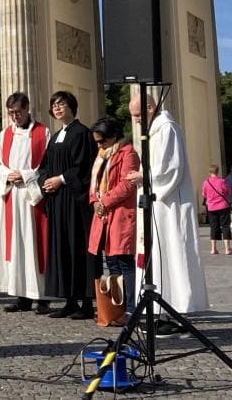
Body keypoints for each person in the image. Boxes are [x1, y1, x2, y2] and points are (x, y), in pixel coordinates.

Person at [126, 94, 208, 332]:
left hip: (169, 206)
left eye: (137, 115)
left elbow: (171, 169)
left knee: (171, 254)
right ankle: (158, 311)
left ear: (151, 107)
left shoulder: (167, 129)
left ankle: (173, 311)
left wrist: (143, 177)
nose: (136, 121)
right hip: (158, 205)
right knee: (158, 257)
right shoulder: (155, 130)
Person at [38, 90, 95, 320]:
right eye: (54, 105)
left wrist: (60, 179)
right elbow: (44, 166)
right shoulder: (54, 138)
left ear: (72, 106)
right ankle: (69, 300)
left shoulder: (82, 133)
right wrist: (46, 182)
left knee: (77, 247)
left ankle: (86, 302)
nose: (57, 108)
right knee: (61, 249)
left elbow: (83, 167)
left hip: (74, 201)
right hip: (57, 201)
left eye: (61, 104)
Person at [0, 91, 50, 314]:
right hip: (11, 197)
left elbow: (47, 165)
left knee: (35, 245)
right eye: (11, 113)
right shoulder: (4, 134)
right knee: (15, 246)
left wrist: (25, 175)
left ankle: (42, 296)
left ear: (27, 109)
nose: (14, 117)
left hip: (31, 197)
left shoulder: (43, 133)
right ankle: (21, 295)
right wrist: (8, 175)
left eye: (18, 112)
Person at [88, 117, 139, 323]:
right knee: (111, 262)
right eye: (97, 142)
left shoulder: (129, 154)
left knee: (124, 262)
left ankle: (131, 308)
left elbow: (127, 184)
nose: (99, 145)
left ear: (113, 137)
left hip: (120, 214)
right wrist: (94, 202)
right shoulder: (102, 156)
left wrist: (105, 201)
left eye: (102, 141)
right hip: (103, 215)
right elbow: (95, 183)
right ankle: (117, 307)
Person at [202, 165, 232, 255]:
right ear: (217, 172)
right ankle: (227, 249)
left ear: (210, 172)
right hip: (223, 206)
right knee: (225, 226)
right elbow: (227, 191)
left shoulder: (206, 182)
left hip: (211, 207)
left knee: (213, 227)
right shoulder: (222, 181)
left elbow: (204, 194)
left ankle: (213, 249)